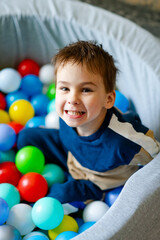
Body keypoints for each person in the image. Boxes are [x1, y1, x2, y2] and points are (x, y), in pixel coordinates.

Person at [17, 41, 160, 204]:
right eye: (64, 88)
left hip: (97, 181)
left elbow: (155, 154)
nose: (72, 99)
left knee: (55, 198)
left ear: (108, 99)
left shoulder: (123, 141)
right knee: (25, 137)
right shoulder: (68, 115)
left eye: (85, 90)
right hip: (70, 152)